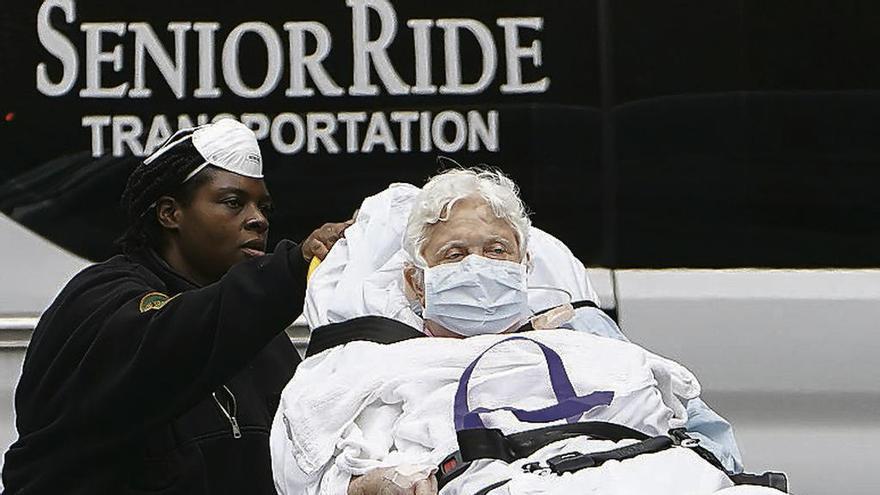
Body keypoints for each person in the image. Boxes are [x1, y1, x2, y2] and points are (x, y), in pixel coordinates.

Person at [278, 168, 743, 495]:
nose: (478, 265)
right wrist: (372, 485)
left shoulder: (585, 332)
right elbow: (319, 466)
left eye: (496, 250)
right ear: (415, 282)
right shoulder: (379, 364)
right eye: (454, 254)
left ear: (525, 266)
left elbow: (705, 436)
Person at [1, 119, 350, 494]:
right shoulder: (99, 300)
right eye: (233, 202)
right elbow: (170, 341)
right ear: (169, 213)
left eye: (263, 206)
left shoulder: (262, 337)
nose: (258, 219)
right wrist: (293, 268)